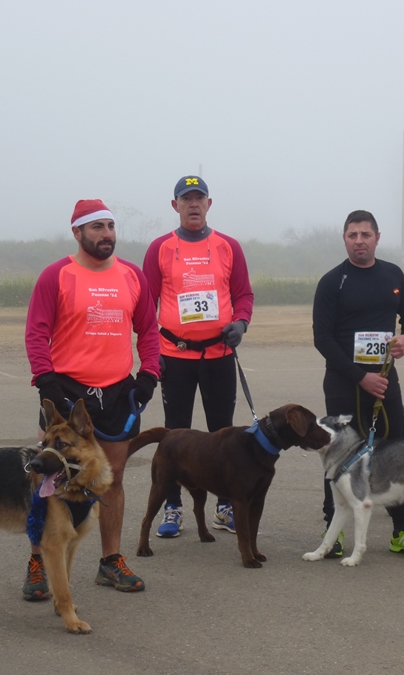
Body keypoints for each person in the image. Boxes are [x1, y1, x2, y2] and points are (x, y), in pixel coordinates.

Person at [23, 199, 161, 599]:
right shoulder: (57, 275)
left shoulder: (133, 275)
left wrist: (148, 375)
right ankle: (37, 564)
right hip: (66, 391)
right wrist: (46, 382)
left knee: (111, 480)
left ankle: (110, 561)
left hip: (117, 392)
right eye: (97, 227)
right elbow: (36, 334)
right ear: (78, 232)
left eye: (111, 227)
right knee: (47, 480)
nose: (107, 235)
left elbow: (149, 332)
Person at [142, 176, 254, 538]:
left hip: (219, 355)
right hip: (174, 356)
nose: (193, 204)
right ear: (174, 205)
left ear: (209, 203)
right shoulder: (160, 248)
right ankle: (172, 506)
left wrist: (241, 323)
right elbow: (145, 306)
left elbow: (243, 295)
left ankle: (224, 505)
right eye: (185, 199)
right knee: (174, 434)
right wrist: (150, 354)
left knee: (222, 433)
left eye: (199, 198)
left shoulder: (228, 247)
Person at [313, 209, 404, 558]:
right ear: (345, 239)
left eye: (366, 234)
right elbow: (323, 339)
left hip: (383, 382)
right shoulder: (333, 282)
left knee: (395, 454)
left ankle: (403, 531)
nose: (359, 241)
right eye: (353, 235)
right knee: (340, 459)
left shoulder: (392, 274)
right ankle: (334, 533)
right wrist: (360, 377)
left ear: (377, 237)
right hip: (344, 382)